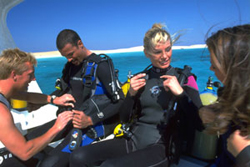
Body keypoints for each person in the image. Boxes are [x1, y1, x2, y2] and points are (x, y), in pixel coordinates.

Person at [69, 23, 203, 167]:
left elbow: (200, 124)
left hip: (162, 148)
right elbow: (124, 118)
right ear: (147, 53)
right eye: (158, 52)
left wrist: (181, 94)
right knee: (78, 157)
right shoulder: (141, 78)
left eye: (168, 49)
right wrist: (131, 95)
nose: (165, 56)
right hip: (133, 140)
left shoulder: (184, 79)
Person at [38, 29, 124, 167]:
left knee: (49, 164)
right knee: (29, 140)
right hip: (69, 119)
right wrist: (45, 101)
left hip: (91, 125)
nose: (69, 59)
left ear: (80, 43)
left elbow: (120, 101)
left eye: (71, 54)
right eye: (65, 56)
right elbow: (63, 91)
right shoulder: (70, 66)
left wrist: (90, 120)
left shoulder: (101, 66)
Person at [0, 48, 74, 167]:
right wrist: (57, 127)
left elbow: (27, 96)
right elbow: (25, 152)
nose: (34, 78)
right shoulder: (1, 111)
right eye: (30, 75)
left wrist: (54, 99)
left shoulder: (4, 90)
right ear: (14, 75)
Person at [199, 24, 250, 167]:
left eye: (215, 64)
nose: (210, 68)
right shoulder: (233, 98)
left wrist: (245, 154)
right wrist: (215, 112)